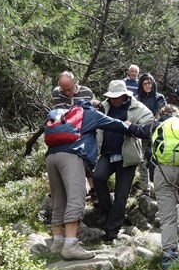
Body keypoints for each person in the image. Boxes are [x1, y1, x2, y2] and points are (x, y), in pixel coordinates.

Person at [43, 99, 136, 260]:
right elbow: (116, 124)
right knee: (76, 198)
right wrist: (132, 126)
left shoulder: (66, 113)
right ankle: (71, 245)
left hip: (51, 156)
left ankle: (57, 242)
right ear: (96, 107)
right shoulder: (91, 113)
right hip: (71, 157)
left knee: (59, 200)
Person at [126, 105, 179, 270]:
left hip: (165, 172)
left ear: (161, 115)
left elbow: (138, 130)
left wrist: (128, 125)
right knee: (175, 200)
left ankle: (170, 258)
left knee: (167, 217)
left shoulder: (155, 125)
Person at [93, 80, 154, 241]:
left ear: (125, 95)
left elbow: (150, 124)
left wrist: (134, 128)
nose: (113, 100)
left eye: (117, 97)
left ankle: (112, 229)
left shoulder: (137, 107)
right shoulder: (104, 107)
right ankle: (107, 213)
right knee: (98, 177)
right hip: (106, 153)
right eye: (111, 97)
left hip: (128, 155)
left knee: (121, 194)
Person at [51, 71, 98, 201]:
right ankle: (68, 192)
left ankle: (94, 190)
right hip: (65, 131)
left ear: (75, 82)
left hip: (84, 129)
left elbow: (88, 113)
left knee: (88, 159)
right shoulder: (57, 92)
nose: (67, 93)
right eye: (64, 90)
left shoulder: (87, 93)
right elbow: (62, 114)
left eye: (70, 89)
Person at [136, 73, 166, 195]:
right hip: (142, 133)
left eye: (150, 83)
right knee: (141, 161)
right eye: (145, 83)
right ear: (141, 85)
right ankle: (145, 188)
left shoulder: (160, 98)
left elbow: (163, 115)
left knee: (158, 160)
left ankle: (161, 186)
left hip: (157, 132)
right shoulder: (137, 99)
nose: (148, 85)